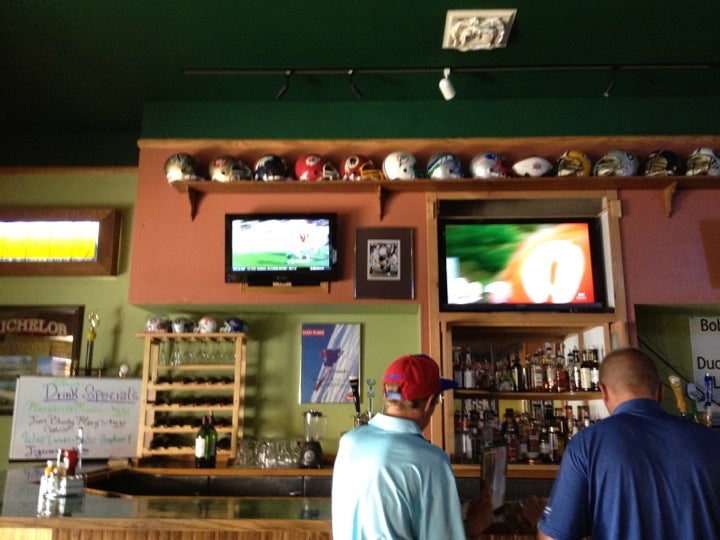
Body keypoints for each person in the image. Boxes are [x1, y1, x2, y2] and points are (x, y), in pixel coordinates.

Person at [538, 346, 720, 540]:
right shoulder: (711, 440)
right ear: (661, 391)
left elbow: (554, 538)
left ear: (604, 391)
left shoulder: (587, 445)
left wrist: (543, 521)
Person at [331, 353, 493, 540]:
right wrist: (473, 528)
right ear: (429, 402)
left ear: (386, 395)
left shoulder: (349, 442)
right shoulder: (432, 462)